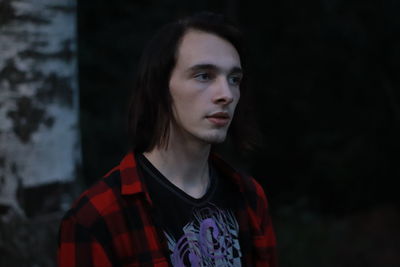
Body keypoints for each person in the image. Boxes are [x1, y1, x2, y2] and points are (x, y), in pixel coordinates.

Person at [58, 12, 277, 267]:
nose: (226, 94)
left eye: (234, 79)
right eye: (204, 76)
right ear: (159, 85)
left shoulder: (249, 196)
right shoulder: (97, 216)